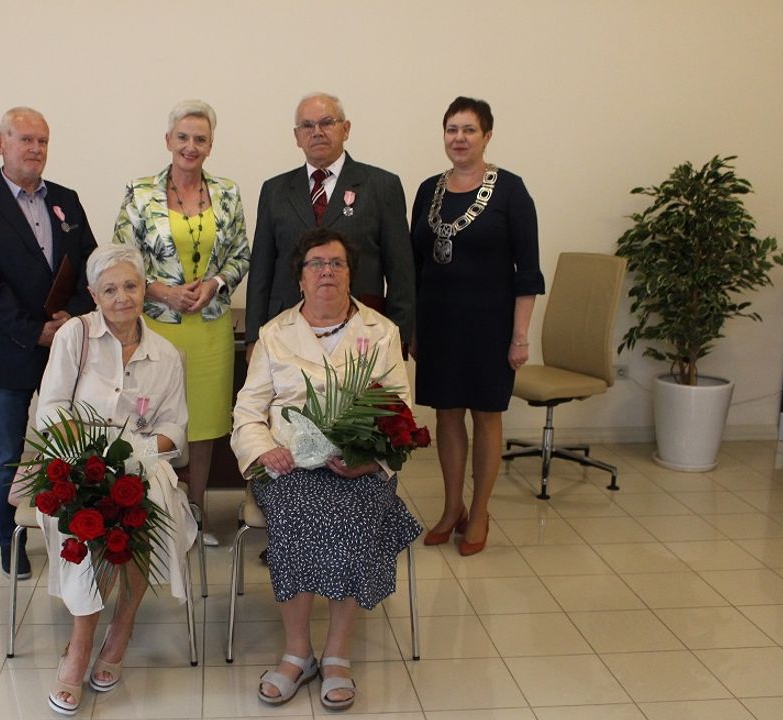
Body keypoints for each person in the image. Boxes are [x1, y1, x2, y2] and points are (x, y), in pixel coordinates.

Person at [231, 228, 422, 711]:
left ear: (351, 275)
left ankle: (337, 654)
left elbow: (399, 409)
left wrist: (365, 460)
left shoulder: (382, 333)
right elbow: (248, 412)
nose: (327, 273)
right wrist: (263, 451)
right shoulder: (275, 334)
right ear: (300, 278)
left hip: (357, 467)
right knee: (297, 514)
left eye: (337, 264)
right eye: (316, 264)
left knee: (354, 516)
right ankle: (298, 652)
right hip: (289, 463)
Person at [35, 244, 195, 716]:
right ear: (93, 294)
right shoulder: (74, 335)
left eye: (130, 285)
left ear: (145, 288)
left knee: (154, 510)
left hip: (140, 461)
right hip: (78, 459)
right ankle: (81, 643)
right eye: (110, 289)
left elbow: (175, 429)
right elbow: (51, 407)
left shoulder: (166, 354)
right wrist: (88, 459)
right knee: (87, 517)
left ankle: (121, 628)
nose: (122, 297)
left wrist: (134, 457)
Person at [0, 107, 97, 579]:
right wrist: (32, 329)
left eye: (42, 141)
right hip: (8, 349)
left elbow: (90, 265)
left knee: (75, 445)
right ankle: (9, 541)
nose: (35, 149)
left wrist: (73, 313)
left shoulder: (67, 200)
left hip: (68, 344)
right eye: (24, 140)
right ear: (1, 144)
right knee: (7, 454)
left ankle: (76, 531)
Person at [410, 96, 544, 556]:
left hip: (491, 325)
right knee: (446, 414)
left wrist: (520, 335)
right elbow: (415, 262)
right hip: (439, 322)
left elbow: (528, 270)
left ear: (487, 135)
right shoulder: (428, 189)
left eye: (469, 130)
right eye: (451, 129)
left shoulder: (511, 191)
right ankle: (452, 508)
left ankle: (481, 510)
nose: (459, 138)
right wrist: (411, 328)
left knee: (487, 415)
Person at [113, 100, 250, 546]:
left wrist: (214, 283)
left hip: (209, 326)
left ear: (211, 145)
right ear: (168, 141)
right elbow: (123, 257)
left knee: (206, 425)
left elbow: (241, 253)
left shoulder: (227, 192)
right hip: (155, 327)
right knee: (154, 423)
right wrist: (160, 290)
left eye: (201, 139)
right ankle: (151, 513)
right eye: (183, 137)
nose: (191, 146)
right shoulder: (140, 192)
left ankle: (196, 514)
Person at [244, 92, 415, 352]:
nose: (317, 132)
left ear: (345, 129)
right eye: (308, 126)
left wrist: (398, 338)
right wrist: (253, 339)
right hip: (286, 332)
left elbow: (401, 271)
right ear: (297, 136)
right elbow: (260, 272)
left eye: (327, 122)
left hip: (362, 333)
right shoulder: (275, 190)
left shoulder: (382, 186)